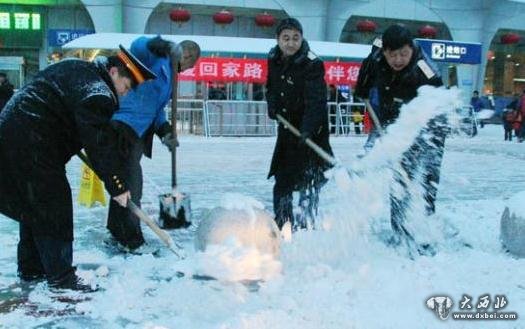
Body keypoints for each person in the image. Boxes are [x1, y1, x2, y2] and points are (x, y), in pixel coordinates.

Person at [0, 46, 156, 291]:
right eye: (125, 86)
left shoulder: (82, 71)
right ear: (114, 72)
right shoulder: (97, 93)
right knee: (54, 208)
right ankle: (62, 279)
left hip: (14, 139)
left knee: (33, 207)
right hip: (33, 146)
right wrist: (116, 183)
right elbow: (98, 144)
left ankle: (32, 270)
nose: (124, 94)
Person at [354, 24, 446, 256]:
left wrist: (418, 134)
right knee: (400, 176)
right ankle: (399, 229)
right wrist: (362, 88)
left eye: (403, 54)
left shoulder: (424, 70)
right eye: (392, 55)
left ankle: (425, 228)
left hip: (428, 126)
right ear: (384, 52)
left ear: (411, 49)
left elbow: (439, 102)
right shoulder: (376, 58)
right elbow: (365, 76)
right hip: (393, 119)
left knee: (426, 177)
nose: (398, 59)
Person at [106, 36, 200, 251]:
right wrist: (163, 45)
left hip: (139, 133)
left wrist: (165, 131)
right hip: (123, 124)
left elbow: (156, 110)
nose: (186, 64)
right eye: (187, 58)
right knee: (131, 184)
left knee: (123, 183)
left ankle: (117, 232)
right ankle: (131, 240)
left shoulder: (171, 82)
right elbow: (137, 46)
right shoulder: (156, 59)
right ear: (181, 53)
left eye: (190, 62)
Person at [266, 18, 333, 230]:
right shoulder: (274, 57)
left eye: (296, 38)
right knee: (283, 180)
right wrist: (272, 104)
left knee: (309, 183)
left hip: (311, 132)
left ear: (302, 38)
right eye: (285, 38)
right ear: (278, 39)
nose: (291, 43)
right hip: (288, 130)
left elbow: (316, 101)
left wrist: (308, 129)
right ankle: (283, 223)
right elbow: (271, 86)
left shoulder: (313, 63)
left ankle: (306, 226)